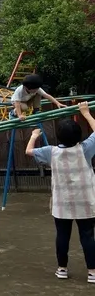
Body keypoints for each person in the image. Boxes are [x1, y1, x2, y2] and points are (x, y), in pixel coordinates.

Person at [26, 101, 95, 283]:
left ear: (58, 136)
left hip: (62, 203)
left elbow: (28, 151)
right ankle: (92, 273)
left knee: (62, 236)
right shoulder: (85, 149)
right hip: (85, 202)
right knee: (87, 236)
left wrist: (34, 135)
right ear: (79, 135)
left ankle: (62, 269)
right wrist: (86, 114)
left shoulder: (51, 151)